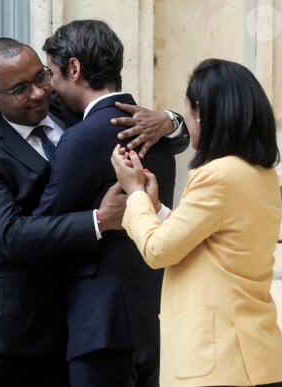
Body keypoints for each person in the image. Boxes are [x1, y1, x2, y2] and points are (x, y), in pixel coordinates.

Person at [0, 37, 185, 387]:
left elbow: (141, 127)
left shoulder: (67, 110)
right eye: (19, 89)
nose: (39, 94)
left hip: (71, 331)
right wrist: (99, 221)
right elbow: (10, 235)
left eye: (41, 77)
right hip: (2, 338)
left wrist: (168, 120)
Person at [111, 58, 282, 386]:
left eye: (188, 110)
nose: (188, 120)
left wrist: (134, 194)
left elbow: (157, 250)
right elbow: (209, 240)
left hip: (221, 363)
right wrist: (158, 208)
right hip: (256, 357)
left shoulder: (217, 176)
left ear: (202, 113)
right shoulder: (258, 175)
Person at [33, 20, 176, 386]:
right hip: (150, 313)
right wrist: (171, 119)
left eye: (51, 74)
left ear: (74, 69)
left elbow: (45, 225)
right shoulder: (155, 133)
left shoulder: (81, 138)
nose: (48, 87)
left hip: (99, 324)